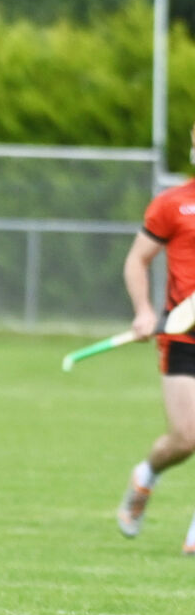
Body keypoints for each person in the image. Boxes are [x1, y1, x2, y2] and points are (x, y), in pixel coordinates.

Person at [117, 122, 195, 554]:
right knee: (186, 437)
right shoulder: (173, 204)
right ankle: (146, 476)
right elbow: (137, 260)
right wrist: (144, 311)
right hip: (184, 338)